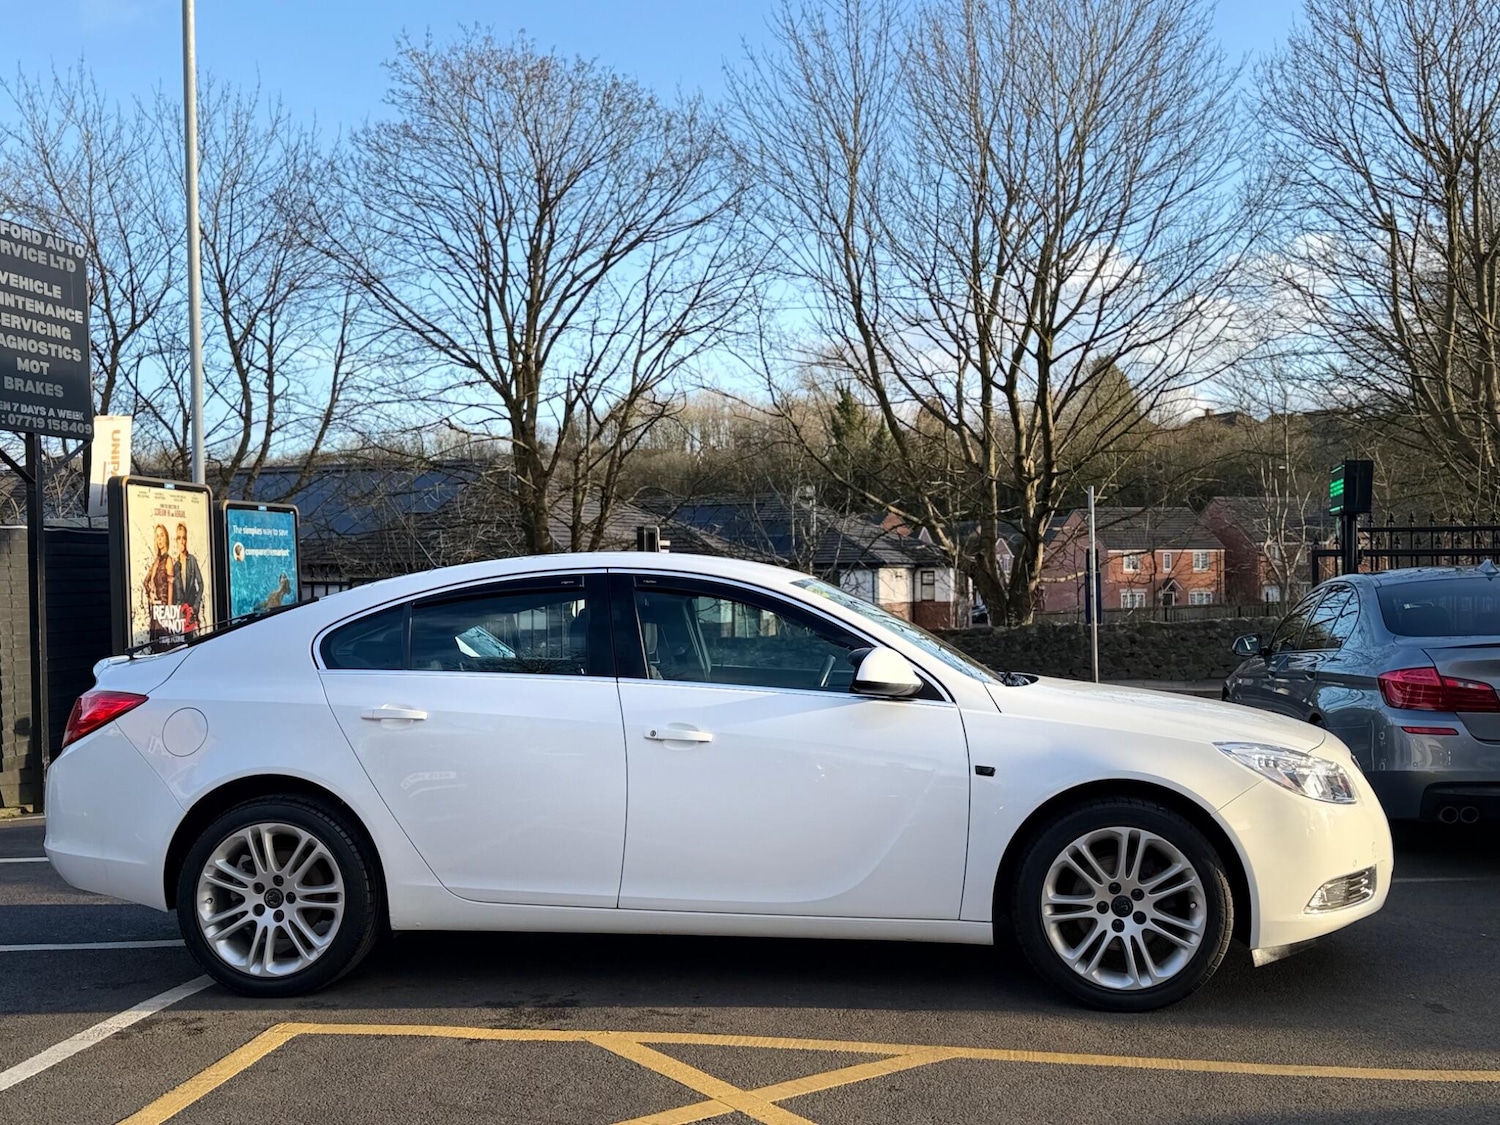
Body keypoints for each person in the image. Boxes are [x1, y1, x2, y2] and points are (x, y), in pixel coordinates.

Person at [142, 524, 176, 643]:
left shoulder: (168, 560)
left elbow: (170, 586)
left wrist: (169, 610)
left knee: (164, 642)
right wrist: (150, 595)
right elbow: (145, 582)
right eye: (157, 536)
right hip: (155, 610)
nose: (160, 539)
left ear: (166, 537)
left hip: (164, 609)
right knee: (155, 642)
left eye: (162, 535)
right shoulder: (156, 561)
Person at [171, 522, 205, 629]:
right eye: (179, 538)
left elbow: (201, 584)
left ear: (186, 540)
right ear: (176, 541)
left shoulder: (192, 560)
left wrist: (195, 606)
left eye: (184, 538)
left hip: (191, 611)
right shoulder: (175, 565)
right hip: (179, 613)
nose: (181, 541)